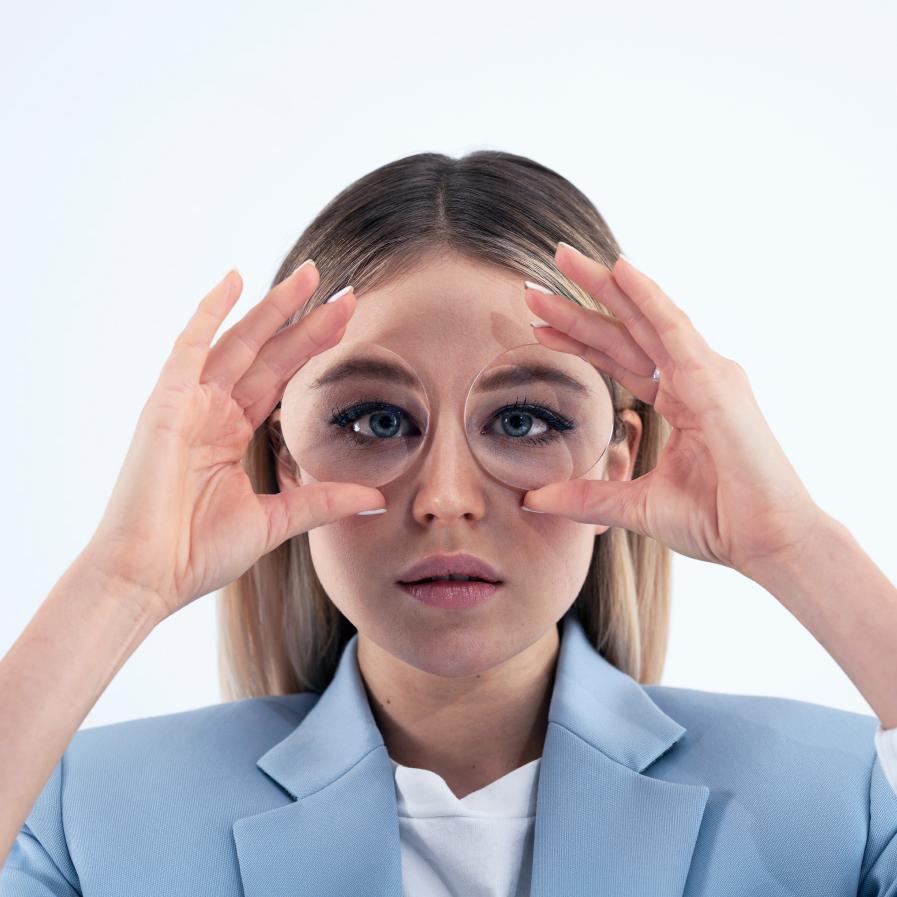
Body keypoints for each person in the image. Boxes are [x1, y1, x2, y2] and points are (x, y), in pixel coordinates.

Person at [1, 150, 896, 896]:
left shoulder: (837, 799)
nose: (444, 499)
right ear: (284, 459)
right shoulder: (90, 815)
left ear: (619, 457)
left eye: (523, 420)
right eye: (375, 420)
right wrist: (118, 584)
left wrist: (798, 546)